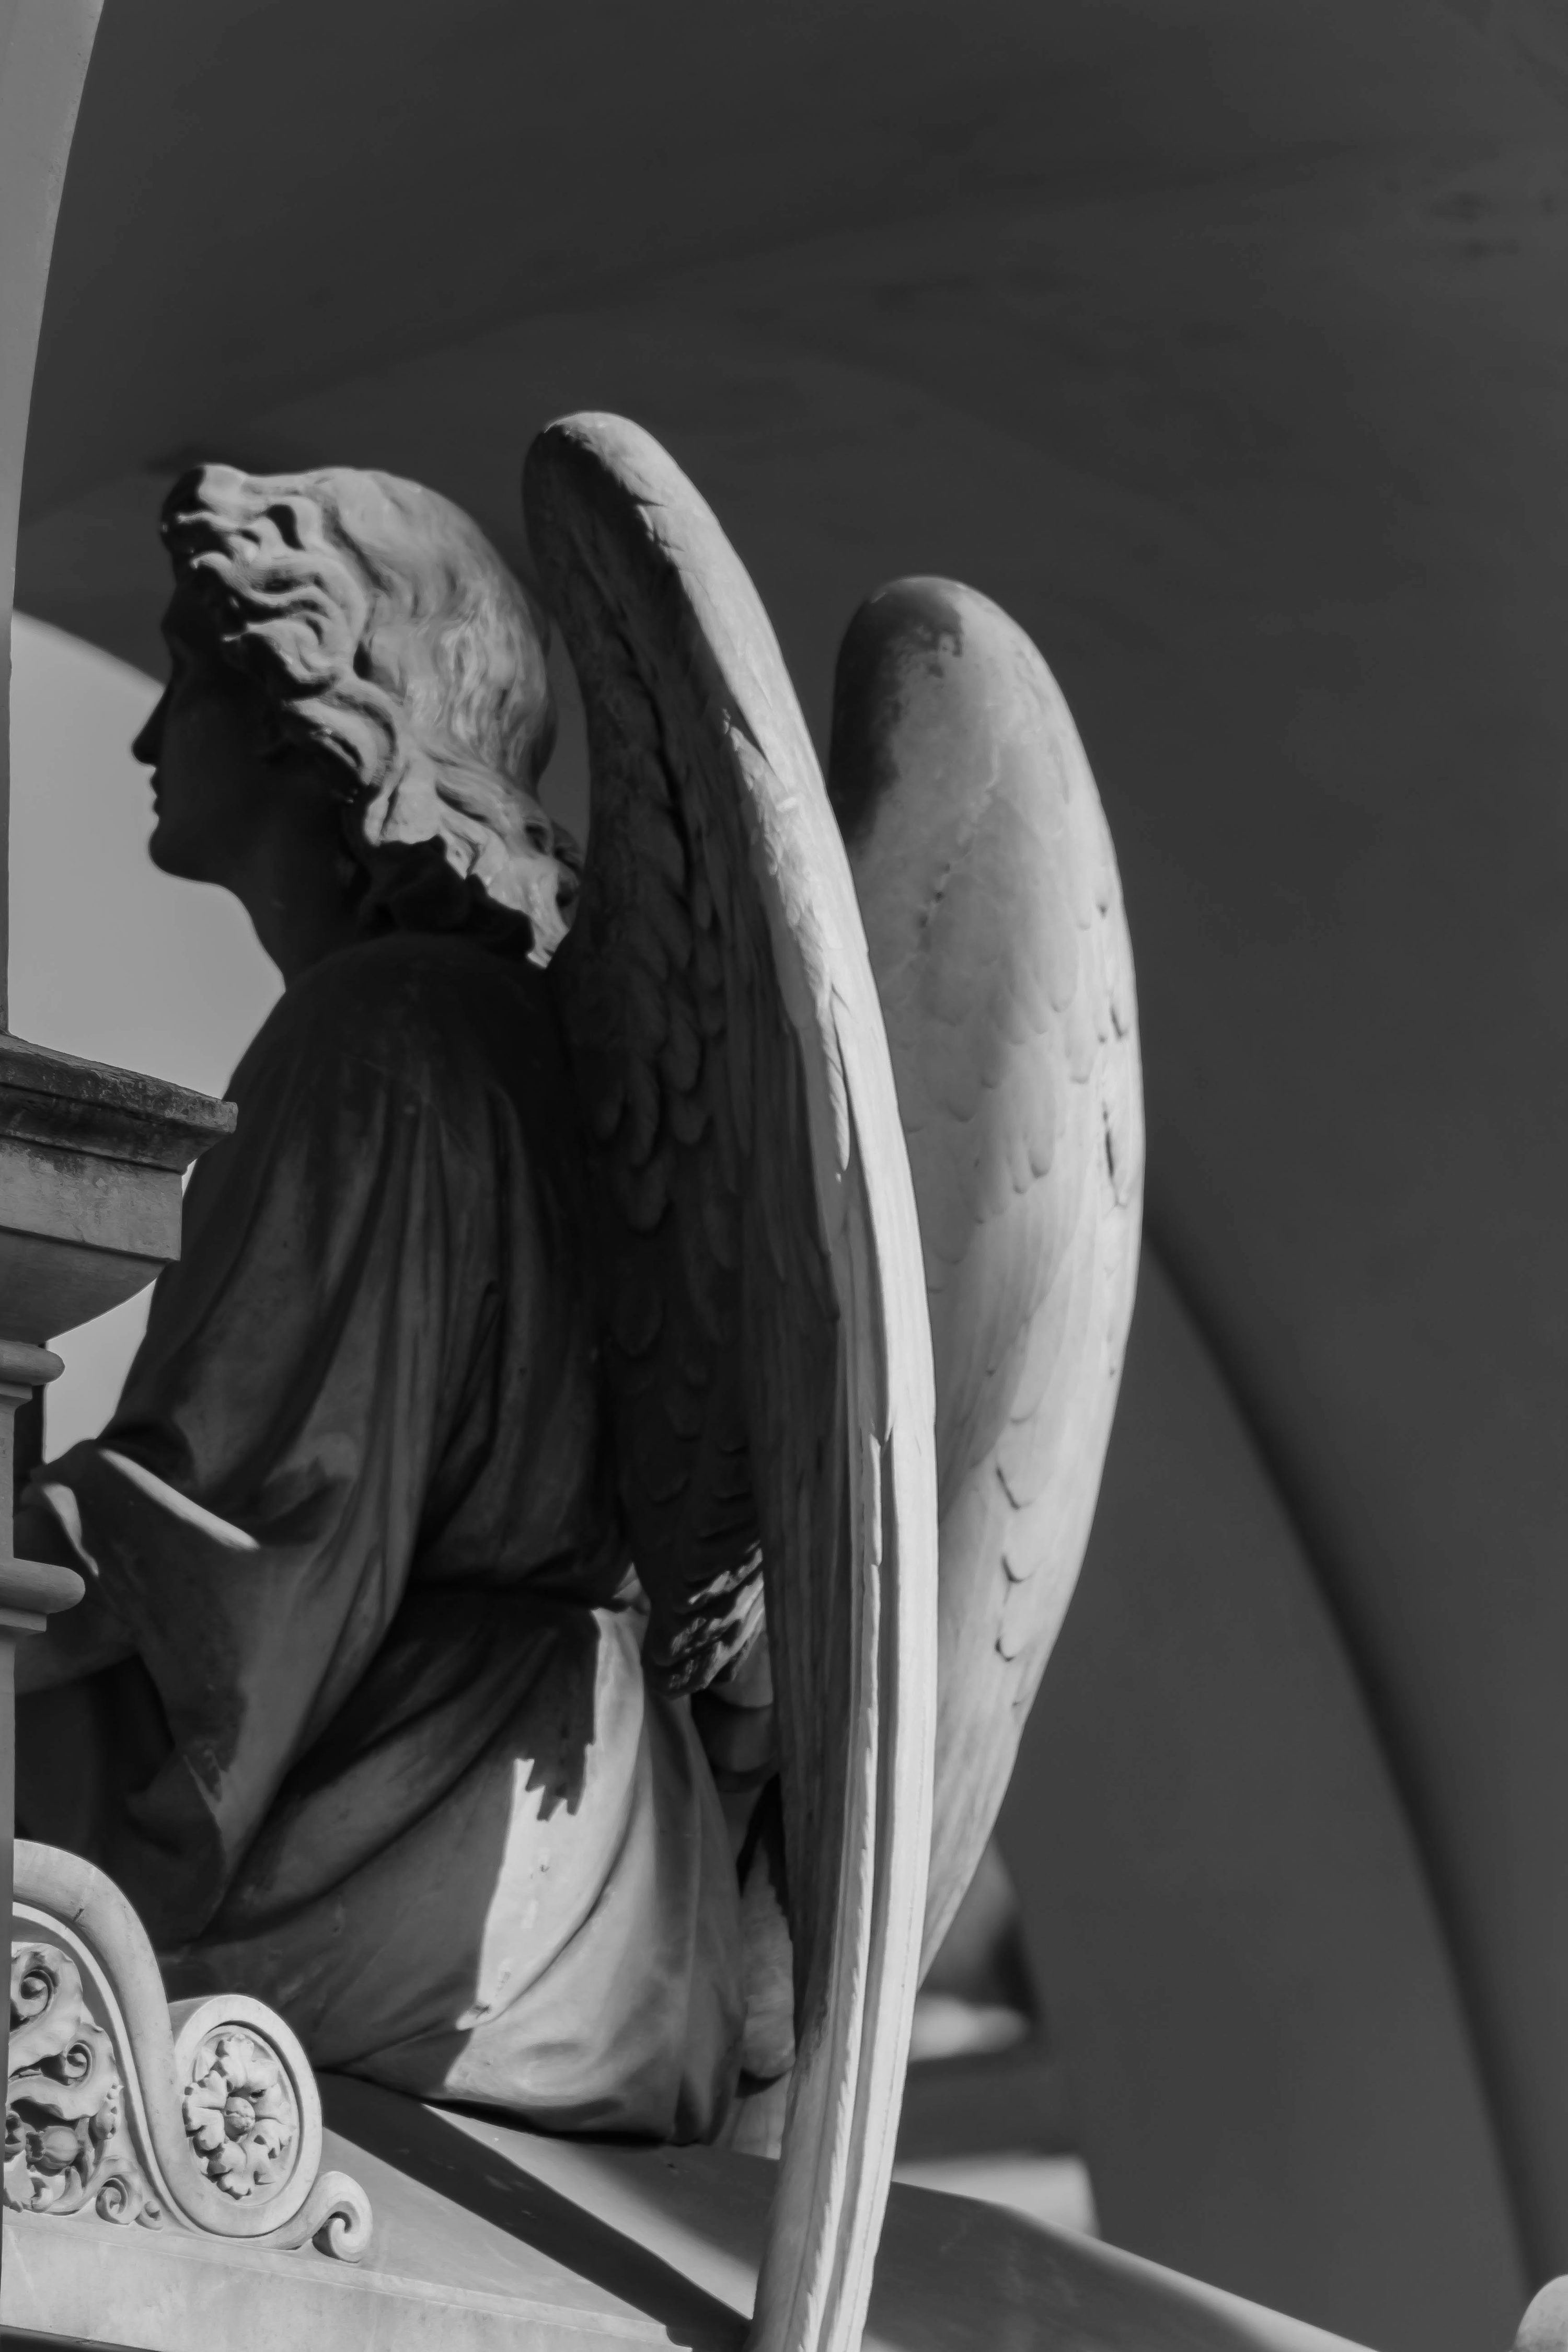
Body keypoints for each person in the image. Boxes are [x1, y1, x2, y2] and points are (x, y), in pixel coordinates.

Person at [12, 464, 745, 2141]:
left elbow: (254, 1536)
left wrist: (22, 1551)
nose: (145, 737)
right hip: (585, 1879)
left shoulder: (385, 1040)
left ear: (301, 712)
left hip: (408, 1840)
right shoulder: (505, 1033)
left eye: (188, 676)